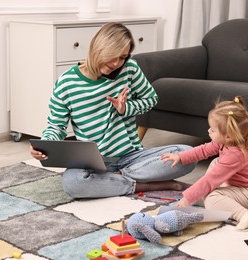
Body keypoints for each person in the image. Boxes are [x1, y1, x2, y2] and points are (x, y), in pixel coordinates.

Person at [30, 22, 195, 199]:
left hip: (132, 155)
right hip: (92, 162)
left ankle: (112, 180)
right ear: (97, 49)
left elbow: (151, 99)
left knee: (187, 155)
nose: (117, 63)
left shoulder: (129, 68)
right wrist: (45, 144)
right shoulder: (66, 83)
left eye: (123, 57)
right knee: (72, 183)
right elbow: (56, 126)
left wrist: (126, 108)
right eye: (112, 56)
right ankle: (142, 185)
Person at [161, 96, 248, 230]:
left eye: (213, 130)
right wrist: (180, 156)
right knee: (216, 162)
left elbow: (210, 179)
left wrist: (187, 199)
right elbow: (203, 150)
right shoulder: (224, 143)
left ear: (228, 136)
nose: (209, 131)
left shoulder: (235, 154)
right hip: (236, 187)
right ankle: (206, 196)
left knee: (212, 200)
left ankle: (245, 215)